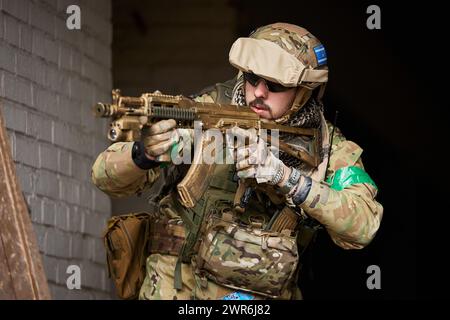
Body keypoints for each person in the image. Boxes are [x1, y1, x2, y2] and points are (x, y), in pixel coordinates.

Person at [91, 22, 383, 300]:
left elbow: (363, 226)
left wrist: (286, 178)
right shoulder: (206, 111)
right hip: (179, 288)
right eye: (252, 78)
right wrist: (145, 153)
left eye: (275, 85)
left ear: (304, 91)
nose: (258, 92)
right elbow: (105, 177)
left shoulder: (328, 146)